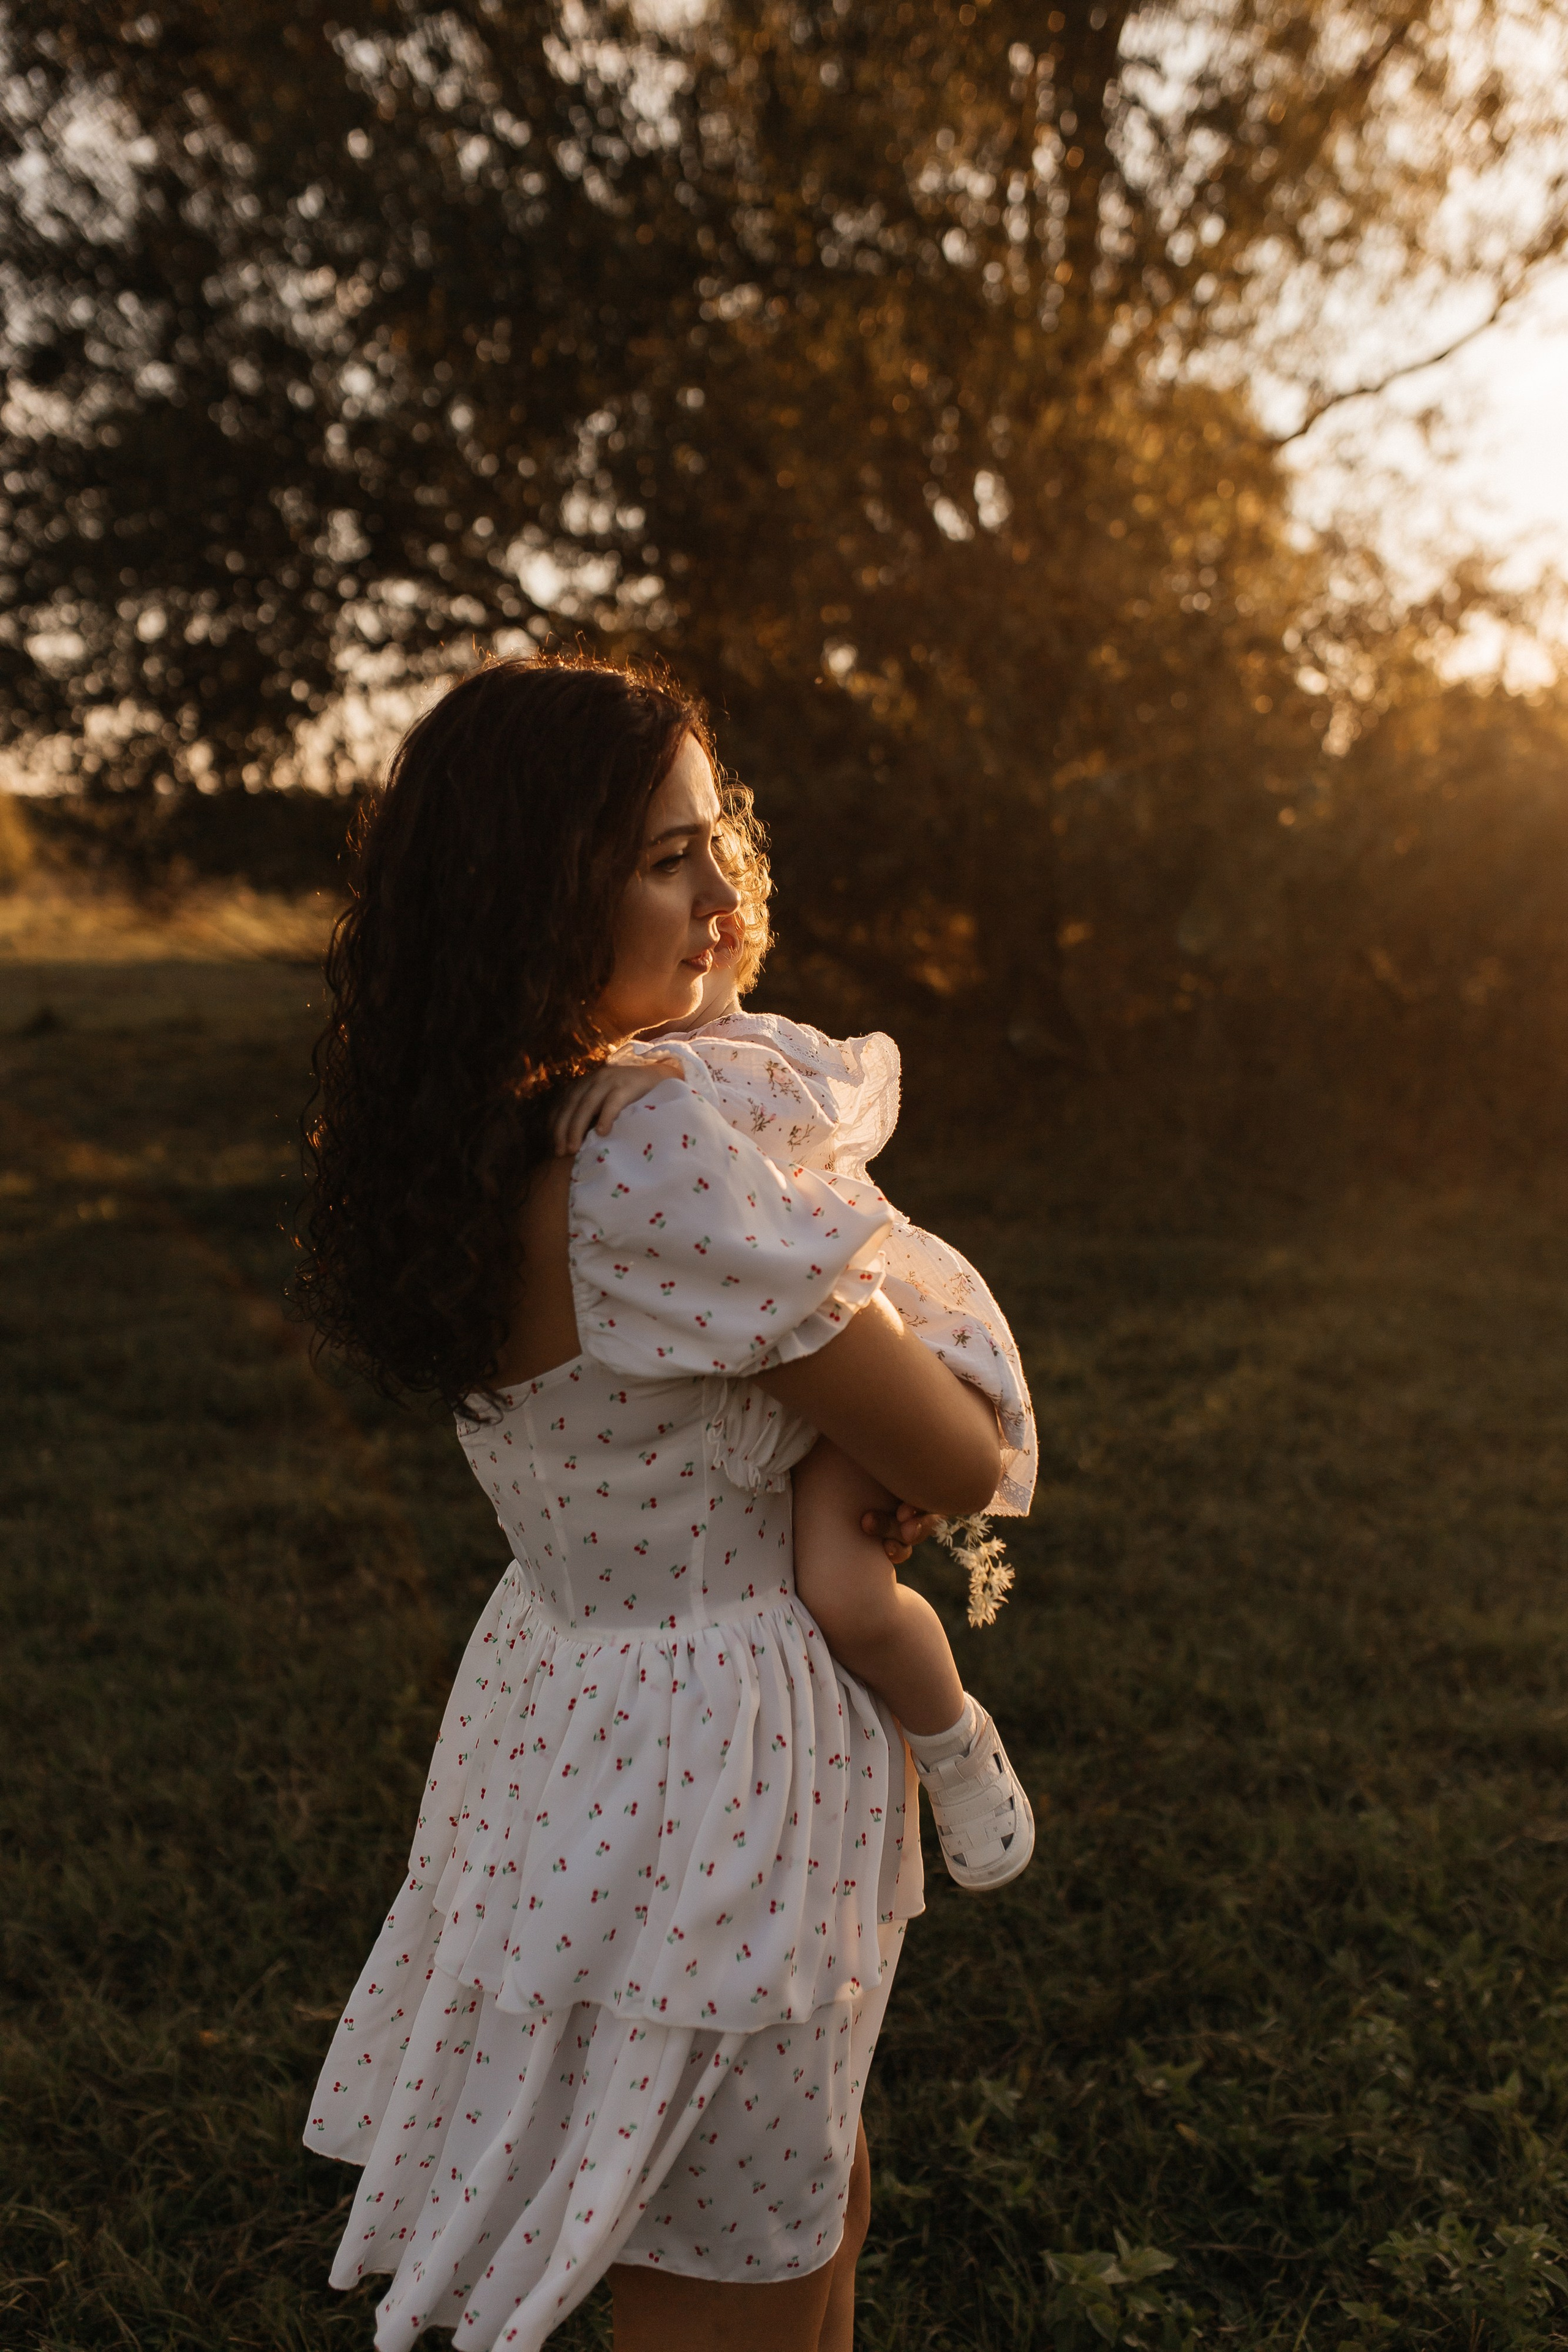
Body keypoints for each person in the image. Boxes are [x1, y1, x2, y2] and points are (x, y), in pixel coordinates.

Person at [293, 652, 1011, 2352]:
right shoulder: (662, 1154)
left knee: (753, 2184)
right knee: (746, 2256)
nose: (720, 894)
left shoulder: (483, 1127)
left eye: (718, 842)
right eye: (665, 857)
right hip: (718, 1756)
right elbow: (959, 1458)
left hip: (568, 1710)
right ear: (539, 893)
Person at [550, 836, 1038, 1894]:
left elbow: (777, 1117)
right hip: (790, 1345)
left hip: (865, 1317)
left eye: (727, 926)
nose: (714, 923)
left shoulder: (735, 1059)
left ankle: (953, 1740)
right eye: (672, 872)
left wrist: (655, 1066)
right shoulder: (624, 1106)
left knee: (847, 1589)